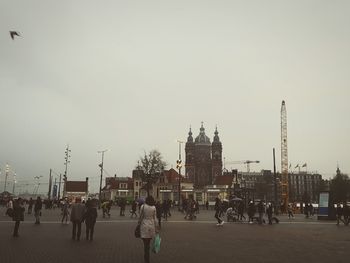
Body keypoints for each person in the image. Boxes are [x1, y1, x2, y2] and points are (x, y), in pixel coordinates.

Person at [138, 196, 158, 263]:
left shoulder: (143, 206)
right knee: (148, 242)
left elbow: (140, 216)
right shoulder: (154, 207)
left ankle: (146, 256)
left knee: (145, 243)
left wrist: (139, 223)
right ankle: (147, 255)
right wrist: (156, 227)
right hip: (151, 226)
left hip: (144, 225)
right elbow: (155, 218)